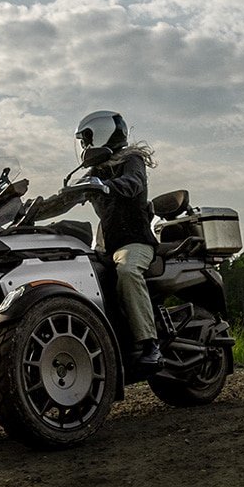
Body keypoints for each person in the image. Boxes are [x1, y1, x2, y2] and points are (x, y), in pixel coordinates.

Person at [74, 110, 163, 369]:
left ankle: (150, 344)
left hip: (134, 241)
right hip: (105, 246)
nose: (84, 145)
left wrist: (106, 186)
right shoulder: (95, 171)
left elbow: (133, 183)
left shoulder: (131, 160)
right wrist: (35, 211)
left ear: (102, 134)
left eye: (86, 139)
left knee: (127, 270)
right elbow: (69, 197)